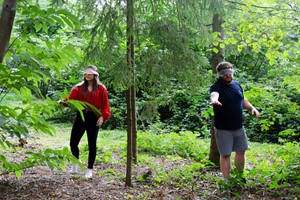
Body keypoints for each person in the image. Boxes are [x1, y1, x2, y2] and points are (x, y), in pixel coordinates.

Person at [210, 61, 259, 183]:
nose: (228, 75)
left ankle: (239, 176)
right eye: (225, 72)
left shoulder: (237, 85)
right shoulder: (216, 87)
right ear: (220, 74)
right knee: (226, 154)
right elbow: (214, 95)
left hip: (238, 127)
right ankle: (226, 181)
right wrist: (215, 100)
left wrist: (252, 108)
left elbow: (242, 100)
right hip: (223, 128)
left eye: (230, 71)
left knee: (241, 151)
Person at [65, 65, 110, 179]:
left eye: (90, 73)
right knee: (73, 142)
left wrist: (103, 117)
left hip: (94, 117)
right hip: (81, 115)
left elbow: (105, 105)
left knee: (92, 144)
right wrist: (63, 102)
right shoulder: (78, 87)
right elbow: (71, 100)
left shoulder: (101, 88)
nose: (87, 75)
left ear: (95, 75)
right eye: (86, 73)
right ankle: (76, 161)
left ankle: (89, 169)